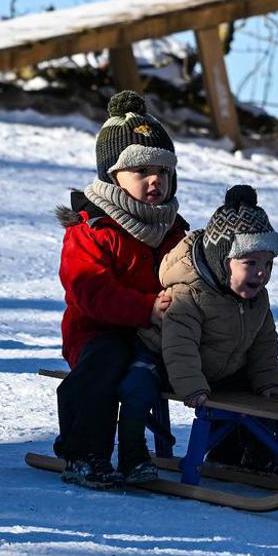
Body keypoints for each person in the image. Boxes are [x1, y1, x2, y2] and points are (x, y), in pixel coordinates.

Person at [52, 91, 187, 489]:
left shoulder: (173, 229)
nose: (155, 180)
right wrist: (146, 308)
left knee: (219, 355)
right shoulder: (92, 227)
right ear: (112, 175)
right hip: (97, 332)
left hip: (154, 334)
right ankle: (84, 453)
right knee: (106, 364)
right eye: (141, 170)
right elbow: (89, 290)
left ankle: (239, 451)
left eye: (163, 171)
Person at [119, 185, 278, 483]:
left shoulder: (258, 299)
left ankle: (247, 458)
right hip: (163, 362)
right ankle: (132, 455)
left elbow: (264, 344)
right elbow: (179, 346)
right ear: (222, 262)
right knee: (138, 388)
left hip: (214, 368)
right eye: (250, 263)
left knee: (253, 396)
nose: (261, 272)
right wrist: (193, 388)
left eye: (267, 263)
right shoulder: (189, 293)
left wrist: (268, 384)